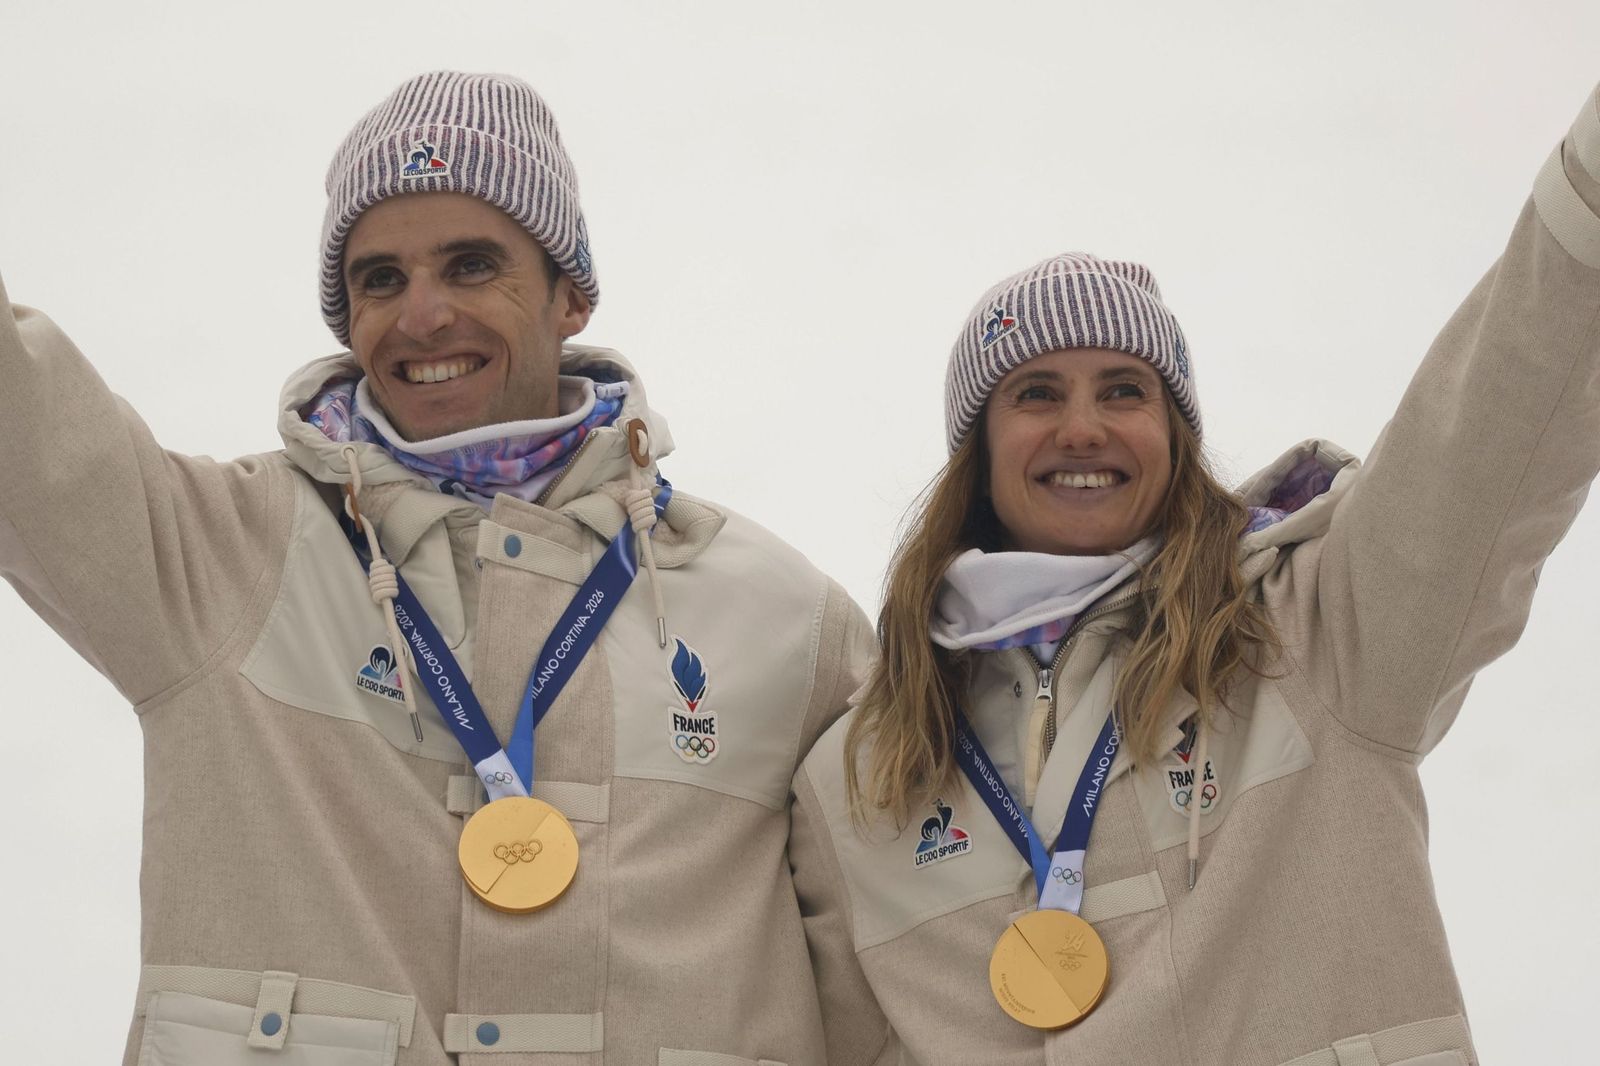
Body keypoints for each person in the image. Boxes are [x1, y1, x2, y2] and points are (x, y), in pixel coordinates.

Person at [0, 70, 871, 1064]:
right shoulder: (219, 553)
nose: (422, 316)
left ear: (571, 294)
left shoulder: (784, 619)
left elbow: (899, 982)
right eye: (381, 280)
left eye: (471, 266)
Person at [791, 81, 1600, 1065]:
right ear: (979, 452)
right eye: (1036, 393)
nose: (1082, 427)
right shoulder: (860, 775)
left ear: (1174, 438)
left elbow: (1505, 406)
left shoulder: (1316, 633)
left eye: (1124, 390)